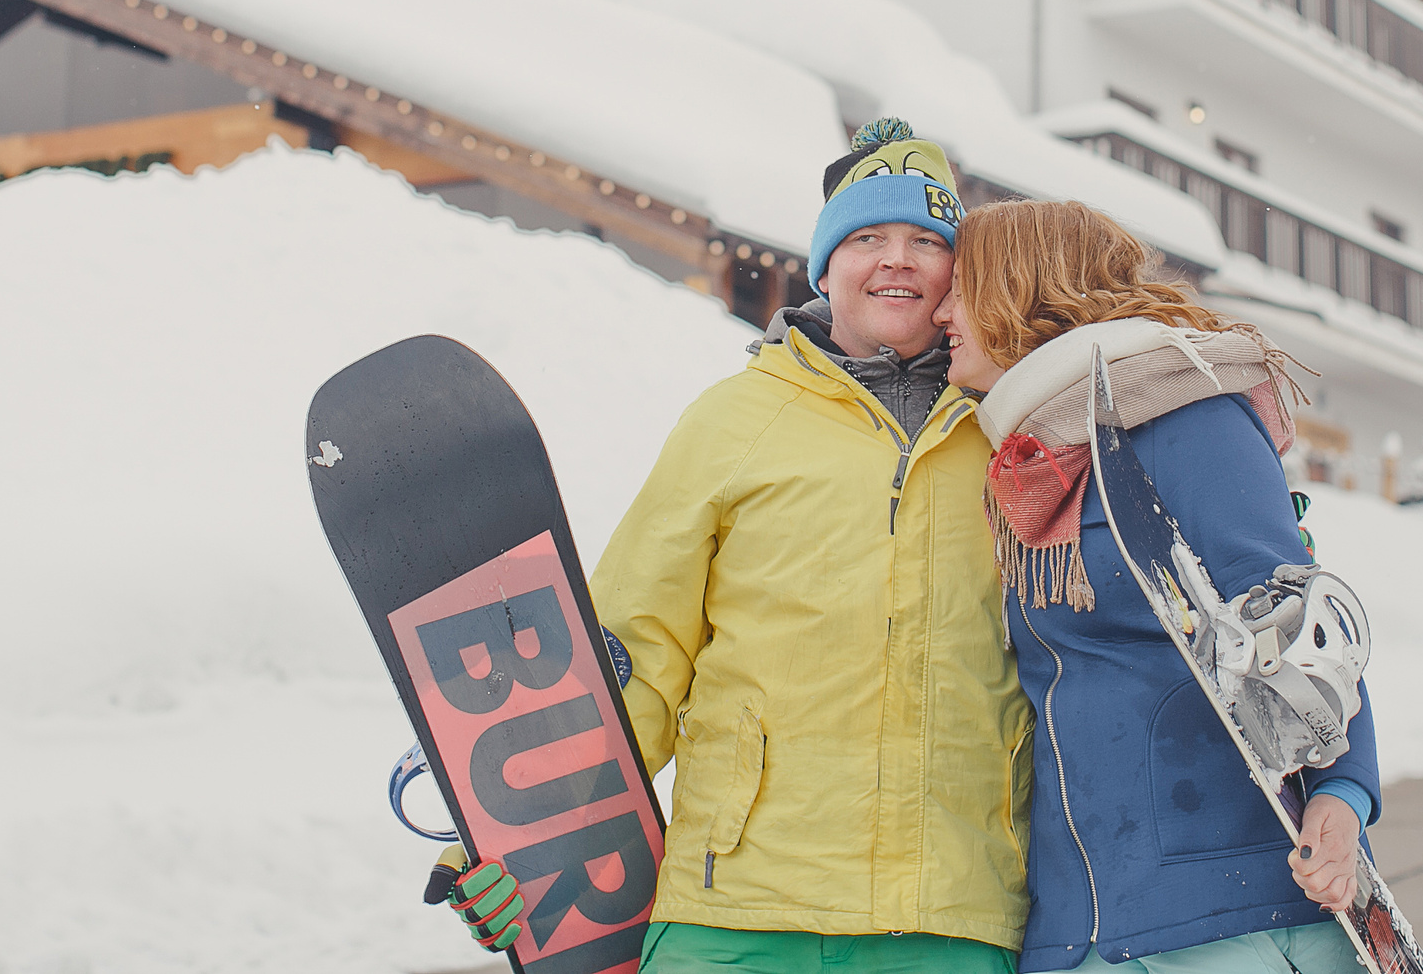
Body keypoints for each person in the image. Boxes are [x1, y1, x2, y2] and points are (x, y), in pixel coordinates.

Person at [440, 118, 1035, 974]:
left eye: (925, 241)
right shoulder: (734, 422)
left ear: (957, 276)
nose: (896, 259)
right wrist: (509, 838)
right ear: (826, 267)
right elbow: (635, 654)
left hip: (948, 915)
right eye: (867, 237)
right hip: (738, 908)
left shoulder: (1015, 430)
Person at [933, 199, 1380, 974]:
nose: (941, 310)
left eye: (960, 290)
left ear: (1019, 288)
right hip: (1082, 926)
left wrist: (1342, 794)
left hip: (1227, 914)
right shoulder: (1026, 458)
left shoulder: (1181, 412)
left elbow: (1298, 621)